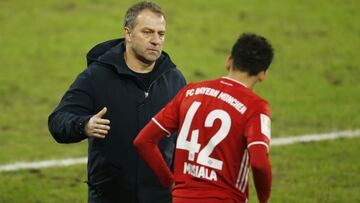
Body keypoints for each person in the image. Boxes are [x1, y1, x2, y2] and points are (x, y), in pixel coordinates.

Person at [48, 1, 186, 203]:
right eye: (147, 32)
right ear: (128, 34)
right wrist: (84, 125)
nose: (156, 40)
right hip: (110, 197)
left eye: (161, 34)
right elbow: (57, 120)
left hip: (161, 197)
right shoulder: (96, 77)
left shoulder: (175, 80)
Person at [134, 33, 274, 203]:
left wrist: (170, 181)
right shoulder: (255, 107)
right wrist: (264, 199)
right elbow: (259, 163)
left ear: (229, 61)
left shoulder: (190, 92)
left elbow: (143, 141)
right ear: (262, 74)